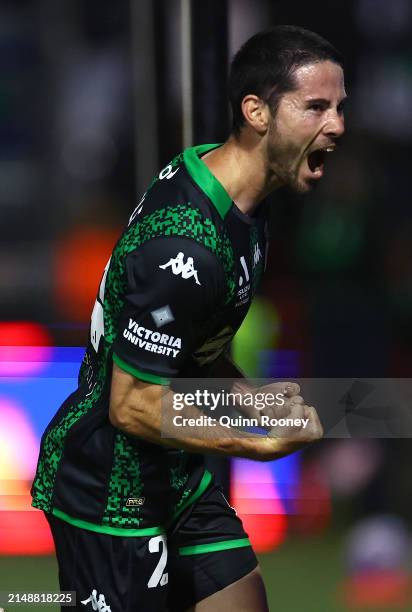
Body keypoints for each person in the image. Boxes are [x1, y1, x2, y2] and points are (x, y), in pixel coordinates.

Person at [32, 25, 346, 612]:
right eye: (316, 107)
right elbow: (132, 405)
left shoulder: (232, 193)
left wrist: (251, 399)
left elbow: (191, 352)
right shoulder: (187, 243)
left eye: (339, 106)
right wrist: (254, 442)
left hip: (173, 472)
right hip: (109, 491)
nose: (337, 125)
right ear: (257, 112)